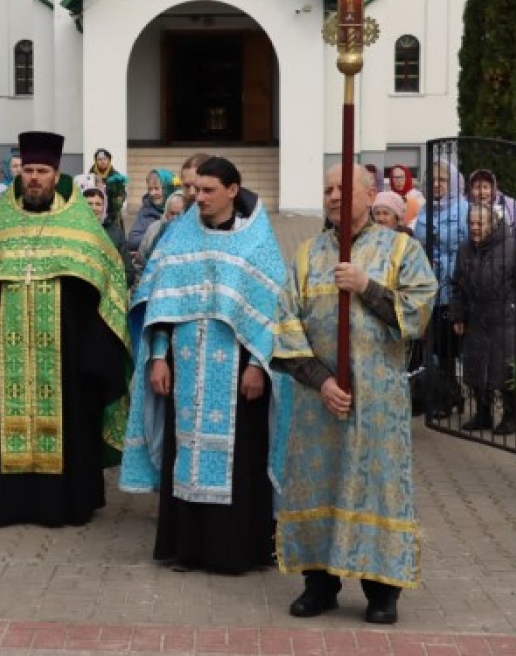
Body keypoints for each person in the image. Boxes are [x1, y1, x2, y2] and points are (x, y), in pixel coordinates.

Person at [272, 164, 437, 625]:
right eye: (326, 189)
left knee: (376, 489)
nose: (334, 197)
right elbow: (286, 324)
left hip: (378, 403)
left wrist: (366, 287)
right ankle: (318, 585)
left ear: (371, 194)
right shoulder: (306, 255)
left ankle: (381, 591)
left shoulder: (401, 249)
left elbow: (422, 309)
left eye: (344, 188)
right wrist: (322, 381)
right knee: (318, 484)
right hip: (318, 402)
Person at [0, 131, 132, 527]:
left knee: (72, 429)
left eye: (42, 171)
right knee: (6, 428)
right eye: (28, 170)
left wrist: (95, 355)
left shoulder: (81, 228)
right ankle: (9, 504)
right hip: (6, 357)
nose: (34, 178)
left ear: (56, 174)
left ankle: (68, 504)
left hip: (68, 358)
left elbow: (108, 280)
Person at [121, 157, 285, 574]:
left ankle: (237, 551)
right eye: (196, 190)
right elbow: (159, 305)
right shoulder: (179, 236)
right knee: (184, 456)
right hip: (185, 369)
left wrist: (256, 365)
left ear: (232, 190)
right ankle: (187, 548)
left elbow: (273, 311)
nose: (199, 198)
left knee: (242, 463)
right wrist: (158, 357)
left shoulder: (258, 242)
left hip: (237, 375)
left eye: (209, 191)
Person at [450, 202, 516, 436]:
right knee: (477, 366)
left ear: (492, 224)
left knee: (506, 368)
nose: (474, 228)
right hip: (477, 317)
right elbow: (457, 286)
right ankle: (483, 414)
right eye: (471, 223)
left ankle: (509, 417)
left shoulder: (514, 249)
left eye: (479, 223)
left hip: (508, 317)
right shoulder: (464, 250)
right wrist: (458, 315)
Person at [413, 158, 469, 406]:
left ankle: (472, 397)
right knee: (439, 348)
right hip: (432, 288)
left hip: (459, 288)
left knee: (459, 347)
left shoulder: (465, 210)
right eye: (433, 180)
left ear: (453, 182)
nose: (437, 184)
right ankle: (449, 396)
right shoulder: (425, 212)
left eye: (442, 180)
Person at [125, 168, 174, 271]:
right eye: (150, 189)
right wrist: (153, 235)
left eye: (156, 189)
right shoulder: (146, 210)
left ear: (167, 189)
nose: (152, 193)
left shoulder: (178, 207)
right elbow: (133, 239)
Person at [467, 169, 516, 245]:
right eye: (477, 187)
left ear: (494, 188)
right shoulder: (464, 206)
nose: (482, 192)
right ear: (471, 190)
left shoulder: (510, 204)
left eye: (486, 187)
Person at [90, 148, 129, 230]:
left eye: (105, 159)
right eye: (99, 159)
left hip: (111, 214)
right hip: (94, 212)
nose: (102, 162)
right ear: (96, 161)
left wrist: (119, 200)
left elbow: (122, 193)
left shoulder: (115, 176)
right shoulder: (91, 175)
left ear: (109, 160)